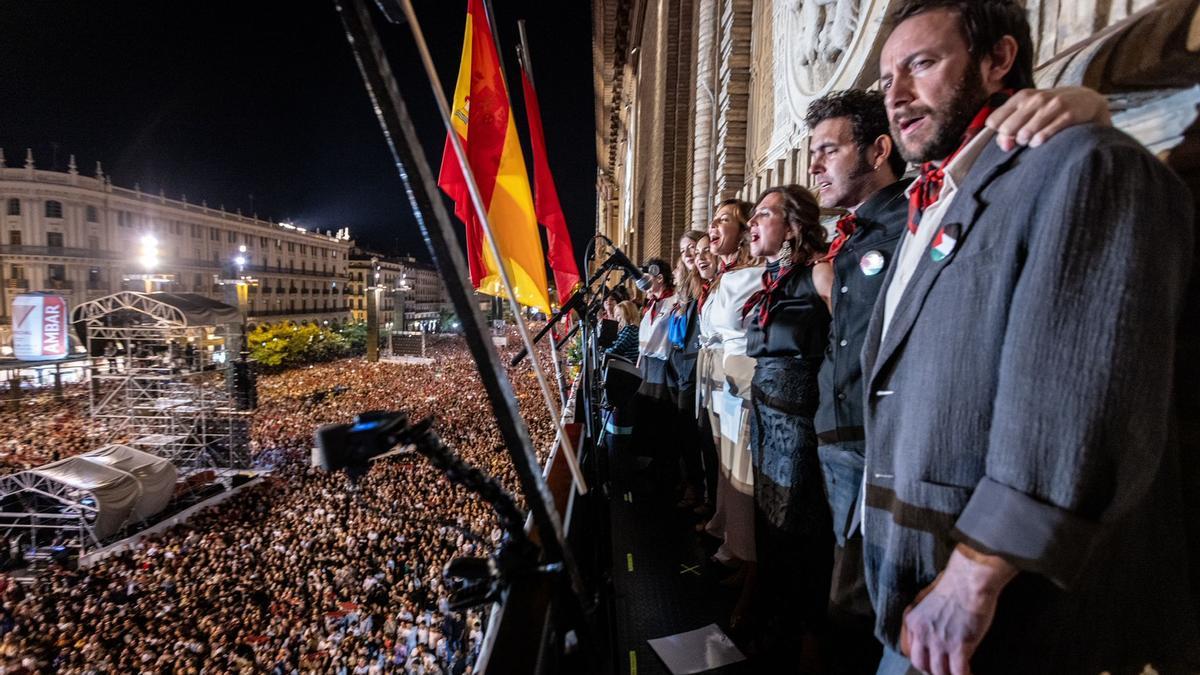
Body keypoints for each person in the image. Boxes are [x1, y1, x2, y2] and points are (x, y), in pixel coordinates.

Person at [863, 1, 1200, 672]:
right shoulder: (936, 200)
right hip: (913, 577)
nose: (895, 96)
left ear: (998, 60)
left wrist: (975, 574)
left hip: (1006, 610)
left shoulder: (1087, 163)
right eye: (886, 79)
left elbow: (1081, 396)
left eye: (922, 65)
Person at [742, 184, 833, 668]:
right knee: (769, 524)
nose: (751, 224)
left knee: (801, 530)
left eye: (762, 215)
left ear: (793, 223)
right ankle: (775, 622)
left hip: (799, 420)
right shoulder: (769, 279)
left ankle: (810, 640)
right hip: (763, 414)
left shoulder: (819, 271)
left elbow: (852, 340)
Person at [695, 198, 762, 627]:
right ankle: (740, 550)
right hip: (723, 379)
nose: (713, 228)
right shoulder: (727, 275)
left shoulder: (754, 275)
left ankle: (754, 569)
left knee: (745, 477)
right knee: (729, 472)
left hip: (742, 378)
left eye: (723, 221)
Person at [667, 230, 707, 510]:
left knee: (696, 434)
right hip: (681, 364)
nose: (689, 254)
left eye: (693, 247)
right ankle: (690, 480)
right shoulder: (684, 290)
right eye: (684, 250)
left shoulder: (704, 283)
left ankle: (699, 489)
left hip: (698, 365)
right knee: (683, 430)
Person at [630, 259, 678, 465]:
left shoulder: (675, 301)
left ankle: (663, 465)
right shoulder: (650, 305)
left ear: (660, 277)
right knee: (646, 415)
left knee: (662, 418)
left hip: (664, 366)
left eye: (647, 278)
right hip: (646, 367)